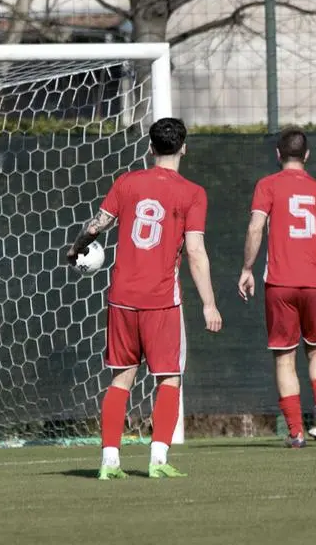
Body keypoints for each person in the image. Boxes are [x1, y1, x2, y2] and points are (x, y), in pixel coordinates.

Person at [65, 117, 222, 479]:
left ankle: (109, 461)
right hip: (161, 300)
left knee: (121, 379)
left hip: (122, 297)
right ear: (184, 147)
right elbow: (195, 251)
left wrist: (76, 249)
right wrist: (209, 303)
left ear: (150, 148)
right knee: (168, 378)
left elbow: (96, 225)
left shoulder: (127, 182)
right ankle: (158, 459)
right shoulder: (192, 192)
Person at [238, 129, 316, 447]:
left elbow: (256, 227)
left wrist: (246, 269)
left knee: (285, 358)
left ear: (278, 154)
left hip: (280, 283)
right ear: (307, 155)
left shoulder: (267, 185)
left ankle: (295, 432)